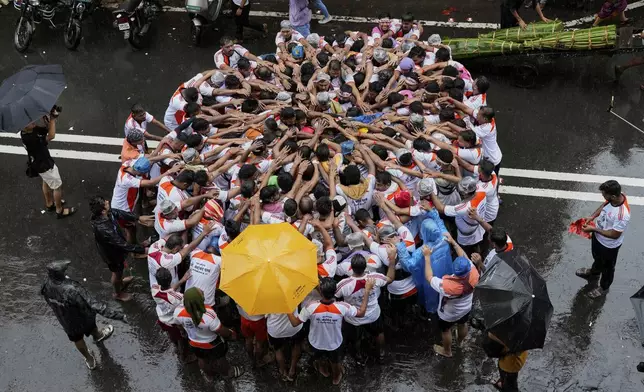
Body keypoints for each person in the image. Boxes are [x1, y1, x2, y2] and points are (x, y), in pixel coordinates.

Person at [287, 277, 375, 385]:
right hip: (334, 343)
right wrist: (366, 291)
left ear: (321, 292)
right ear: (334, 292)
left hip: (316, 342)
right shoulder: (342, 307)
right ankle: (336, 377)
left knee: (319, 357)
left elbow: (295, 323)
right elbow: (361, 313)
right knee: (335, 362)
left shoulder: (311, 307)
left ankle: (323, 369)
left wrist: (287, 307)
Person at [41, 260, 126, 370]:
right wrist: (118, 315)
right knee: (91, 327)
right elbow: (94, 305)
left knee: (77, 339)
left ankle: (89, 358)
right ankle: (98, 336)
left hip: (65, 319)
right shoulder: (72, 288)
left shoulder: (45, 284)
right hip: (83, 316)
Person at [423, 234, 480, 358]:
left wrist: (427, 257)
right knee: (463, 324)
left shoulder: (447, 285)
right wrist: (453, 242)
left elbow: (429, 277)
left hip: (448, 314)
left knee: (446, 330)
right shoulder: (474, 273)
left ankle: (447, 351)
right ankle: (460, 342)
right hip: (465, 308)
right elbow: (463, 256)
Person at [89, 195, 152, 301]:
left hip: (117, 250)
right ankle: (117, 293)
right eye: (106, 203)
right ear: (103, 211)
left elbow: (118, 213)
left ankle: (121, 283)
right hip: (112, 255)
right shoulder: (103, 229)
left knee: (120, 271)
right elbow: (122, 244)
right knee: (117, 273)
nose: (108, 202)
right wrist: (143, 250)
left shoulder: (107, 213)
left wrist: (137, 218)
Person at [173, 288, 244, 381]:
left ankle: (209, 376)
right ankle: (228, 373)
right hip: (213, 343)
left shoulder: (178, 312)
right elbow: (220, 330)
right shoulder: (208, 314)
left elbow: (179, 325)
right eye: (201, 295)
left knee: (202, 359)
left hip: (194, 342)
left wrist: (185, 331)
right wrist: (231, 333)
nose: (203, 293)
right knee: (220, 358)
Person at [575, 180, 631, 298]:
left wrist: (594, 230)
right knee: (597, 258)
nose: (603, 197)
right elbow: (604, 205)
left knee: (608, 268)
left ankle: (604, 287)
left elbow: (615, 234)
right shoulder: (615, 198)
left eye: (605, 195)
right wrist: (593, 216)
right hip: (598, 238)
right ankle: (594, 273)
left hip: (609, 246)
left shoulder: (622, 215)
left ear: (614, 196)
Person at [20, 107, 76, 218]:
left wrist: (48, 118)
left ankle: (49, 203)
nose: (33, 122)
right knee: (57, 186)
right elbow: (51, 136)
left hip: (36, 163)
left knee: (46, 181)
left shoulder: (26, 132)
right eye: (30, 122)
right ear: (25, 127)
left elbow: (43, 129)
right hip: (44, 164)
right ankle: (59, 210)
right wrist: (53, 119)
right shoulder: (31, 139)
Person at [151, 268, 194, 363]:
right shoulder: (178, 298)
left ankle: (175, 345)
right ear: (170, 280)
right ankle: (184, 357)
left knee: (172, 336)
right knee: (182, 339)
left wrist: (182, 280)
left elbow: (168, 292)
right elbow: (173, 295)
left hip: (162, 319)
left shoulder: (154, 289)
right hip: (173, 322)